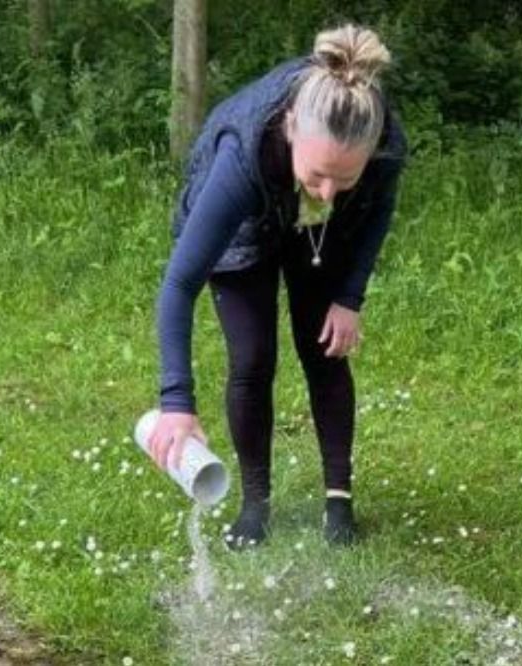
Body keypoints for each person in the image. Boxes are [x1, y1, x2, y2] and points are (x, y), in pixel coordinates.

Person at [145, 24, 407, 549]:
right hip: (248, 222)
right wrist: (176, 401)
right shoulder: (241, 157)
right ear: (290, 128)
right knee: (253, 357)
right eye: (318, 175)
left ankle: (339, 503)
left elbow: (377, 215)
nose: (330, 189)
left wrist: (349, 297)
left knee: (324, 348)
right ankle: (255, 505)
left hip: (315, 232)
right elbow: (179, 283)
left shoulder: (380, 145)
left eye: (345, 178)